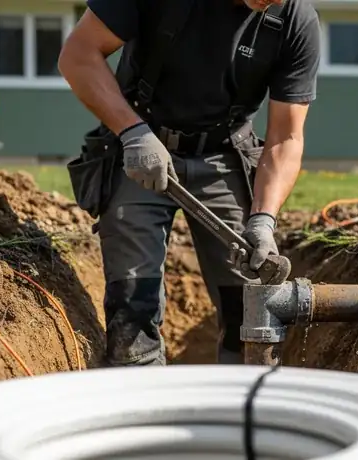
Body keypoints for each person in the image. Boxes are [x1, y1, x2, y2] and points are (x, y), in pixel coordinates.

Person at [58, 0, 321, 366]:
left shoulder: (294, 19)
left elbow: (286, 138)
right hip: (143, 146)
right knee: (133, 307)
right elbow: (78, 55)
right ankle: (140, 388)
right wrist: (133, 133)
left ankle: (240, 397)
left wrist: (263, 220)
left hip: (225, 154)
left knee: (245, 309)